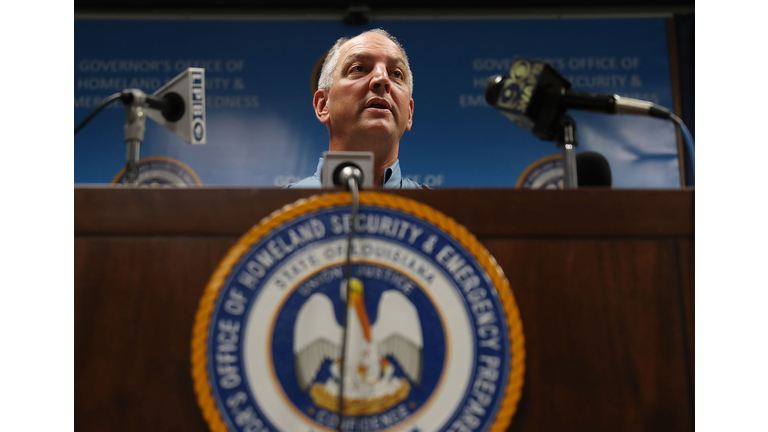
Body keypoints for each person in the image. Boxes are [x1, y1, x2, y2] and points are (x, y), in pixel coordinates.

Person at [287, 29, 426, 188]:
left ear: (409, 113)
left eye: (396, 73)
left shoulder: (440, 211)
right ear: (323, 105)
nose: (382, 78)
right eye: (359, 68)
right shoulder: (277, 209)